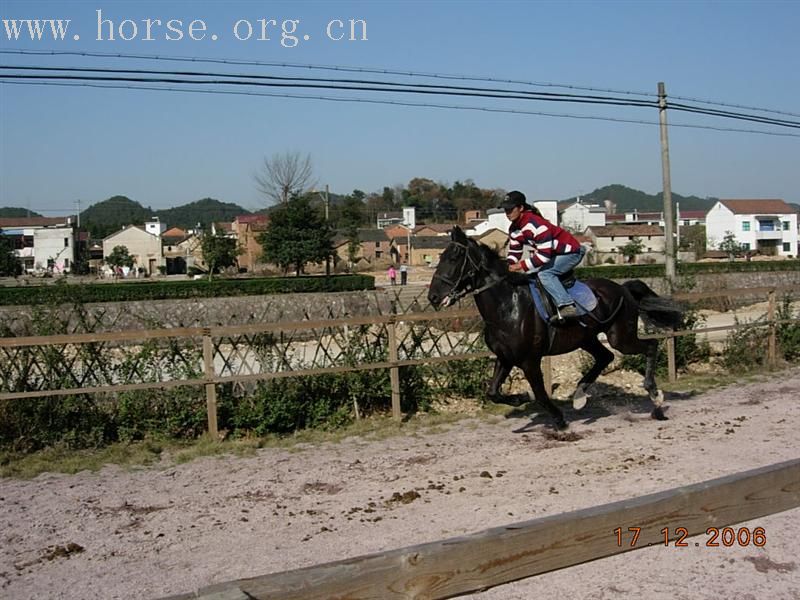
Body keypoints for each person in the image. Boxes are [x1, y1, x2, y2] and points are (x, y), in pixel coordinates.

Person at [500, 190, 585, 320]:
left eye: (510, 209)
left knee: (545, 274)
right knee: (531, 276)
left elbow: (544, 255)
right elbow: (514, 251)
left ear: (521, 208)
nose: (507, 213)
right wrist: (508, 265)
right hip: (554, 255)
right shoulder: (514, 229)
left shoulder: (536, 224)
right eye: (505, 210)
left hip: (572, 252)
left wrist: (521, 265)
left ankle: (567, 306)